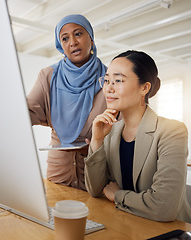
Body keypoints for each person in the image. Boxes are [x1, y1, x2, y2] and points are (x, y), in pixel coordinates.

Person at [84, 50, 191, 223]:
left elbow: (164, 208)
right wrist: (97, 140)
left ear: (145, 88)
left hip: (168, 231)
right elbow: (96, 191)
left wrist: (118, 195)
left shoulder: (172, 131)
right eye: (106, 80)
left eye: (118, 80)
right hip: (127, 224)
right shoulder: (110, 131)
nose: (109, 88)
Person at [27, 14, 107, 191]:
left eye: (78, 34)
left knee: (99, 217)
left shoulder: (108, 78)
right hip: (58, 167)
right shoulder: (48, 76)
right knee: (56, 214)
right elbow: (29, 111)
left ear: (91, 40)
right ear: (61, 46)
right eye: (65, 38)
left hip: (96, 169)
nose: (73, 42)